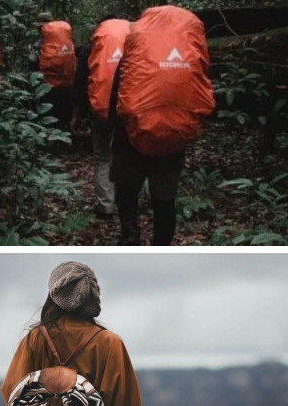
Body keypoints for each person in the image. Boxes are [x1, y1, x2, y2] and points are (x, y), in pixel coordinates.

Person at [1, 261, 143, 406]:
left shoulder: (34, 339)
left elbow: (12, 396)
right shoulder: (109, 344)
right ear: (92, 298)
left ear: (54, 295)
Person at [108, 6, 214, 246]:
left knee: (126, 189)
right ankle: (162, 245)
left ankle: (130, 236)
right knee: (164, 199)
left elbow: (117, 93)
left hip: (130, 135)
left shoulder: (134, 52)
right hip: (174, 137)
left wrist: (113, 128)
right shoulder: (189, 52)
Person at [71, 15, 131, 219]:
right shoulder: (136, 45)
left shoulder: (91, 49)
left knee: (104, 157)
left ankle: (106, 205)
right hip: (130, 111)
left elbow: (80, 83)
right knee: (128, 155)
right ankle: (129, 204)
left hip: (101, 111)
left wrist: (77, 114)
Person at [30, 12, 76, 128]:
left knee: (50, 115)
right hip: (67, 84)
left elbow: (32, 63)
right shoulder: (66, 39)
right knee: (65, 112)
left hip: (48, 85)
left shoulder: (39, 44)